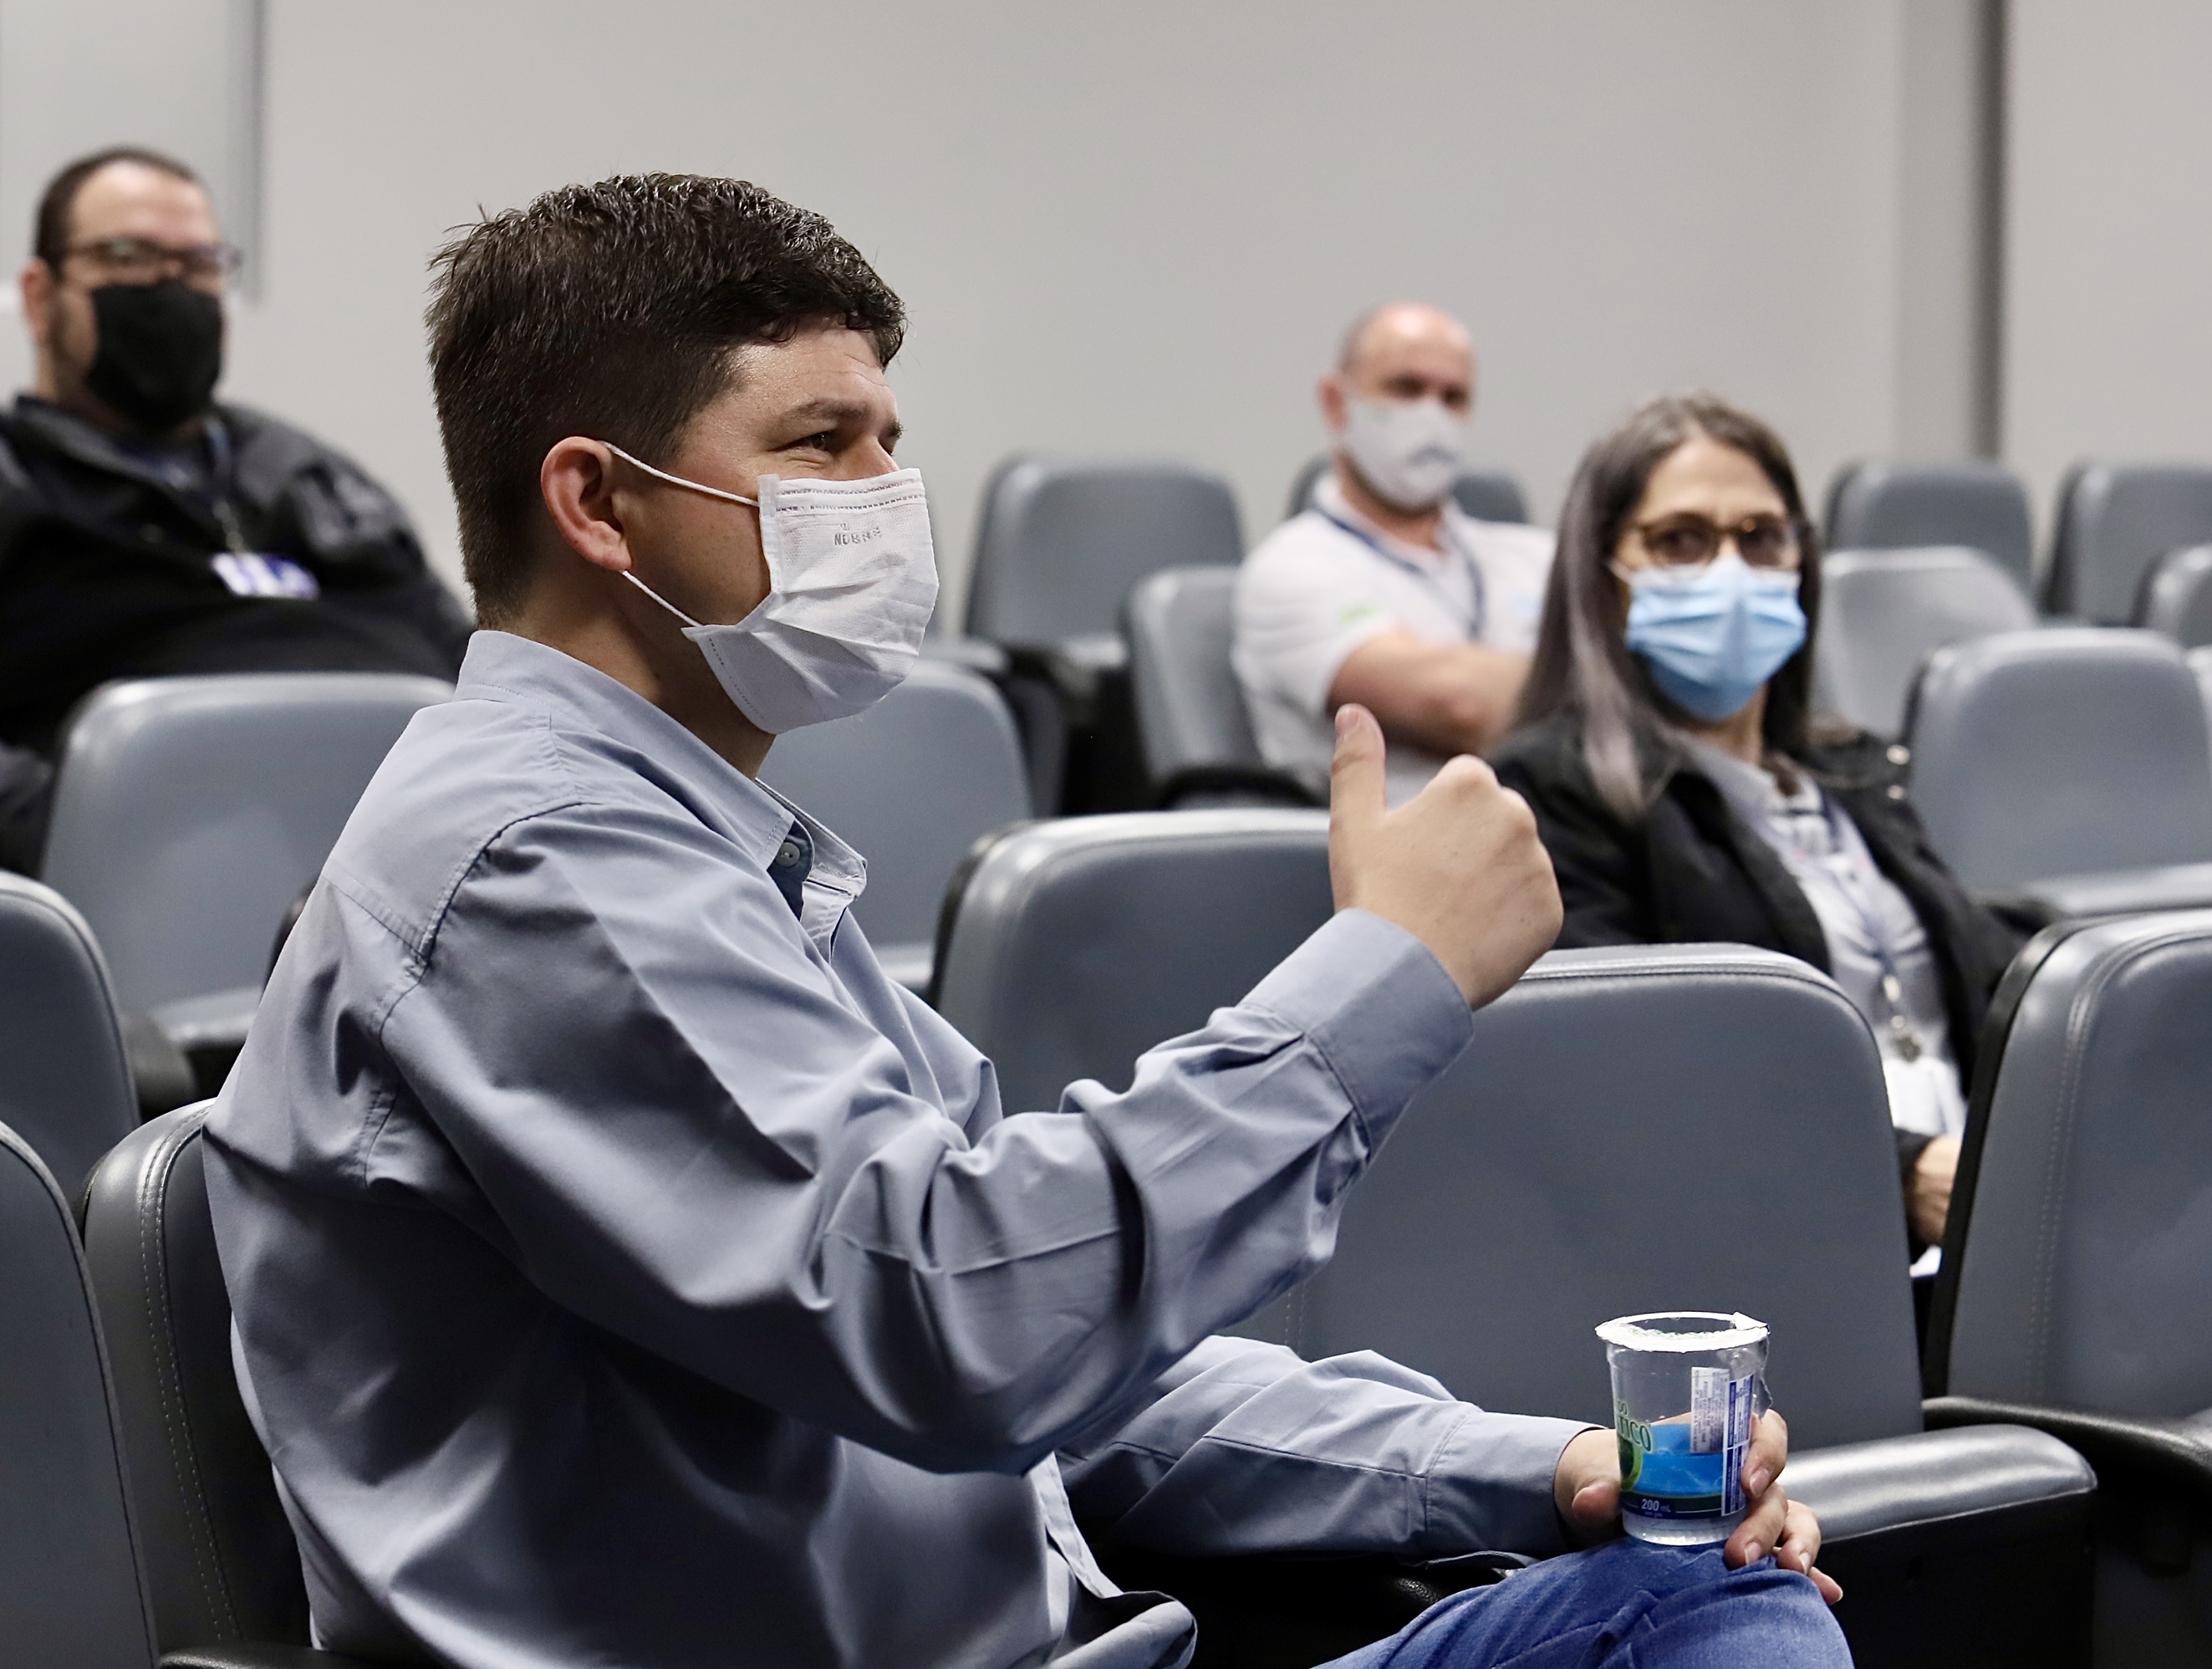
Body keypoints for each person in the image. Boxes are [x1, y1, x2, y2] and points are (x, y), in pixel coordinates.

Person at [202, 176, 1845, 1669]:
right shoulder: (530, 860)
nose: (888, 495)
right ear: (599, 503)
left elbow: (1086, 1381)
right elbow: (967, 1319)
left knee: (1703, 1592)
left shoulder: (705, 853)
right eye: (820, 443)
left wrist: (1536, 1464)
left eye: (887, 441)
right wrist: (1382, 979)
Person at [0, 146, 470, 871]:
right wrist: (97, 830)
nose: (171, 288)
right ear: (40, 296)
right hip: (153, 903)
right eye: (129, 258)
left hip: (422, 867)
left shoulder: (309, 478)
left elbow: (479, 670)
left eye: (200, 265)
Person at [1492, 394, 2027, 1258]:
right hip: (1774, 1254)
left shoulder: (1853, 770)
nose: (1730, 571)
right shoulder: (1552, 790)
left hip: (1974, 1240)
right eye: (1681, 541)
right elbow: (1647, 1073)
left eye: (1760, 536)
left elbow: (1987, 973)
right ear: (1603, 579)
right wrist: (1900, 1172)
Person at [1235, 304, 1552, 803]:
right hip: (1393, 867)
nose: (1433, 416)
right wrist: (1608, 684)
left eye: (1454, 398)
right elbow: (1459, 706)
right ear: (1337, 403)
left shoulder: (1535, 557)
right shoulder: (1292, 569)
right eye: (1407, 389)